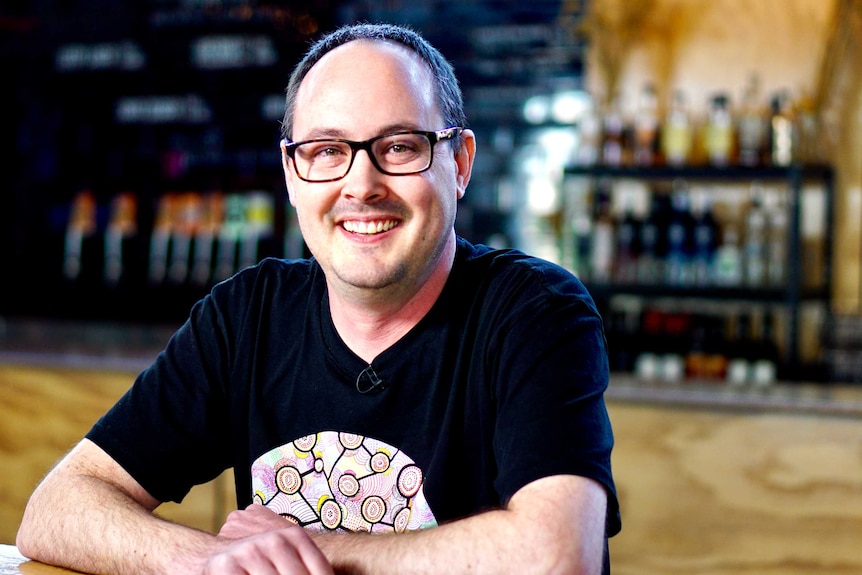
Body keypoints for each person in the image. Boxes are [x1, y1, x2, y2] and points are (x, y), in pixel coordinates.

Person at [17, 22, 621, 574]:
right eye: (327, 151)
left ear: (459, 162)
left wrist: (308, 550)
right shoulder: (246, 316)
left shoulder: (536, 311)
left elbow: (559, 557)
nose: (361, 185)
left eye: (400, 146)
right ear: (290, 174)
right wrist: (211, 560)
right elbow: (55, 511)